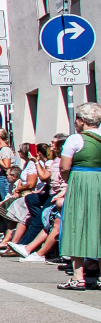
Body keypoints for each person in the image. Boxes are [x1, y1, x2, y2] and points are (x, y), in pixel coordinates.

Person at [57, 103, 101, 289]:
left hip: (80, 182)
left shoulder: (75, 139)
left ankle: (78, 276)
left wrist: (70, 181)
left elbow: (64, 167)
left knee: (77, 225)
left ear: (82, 121)